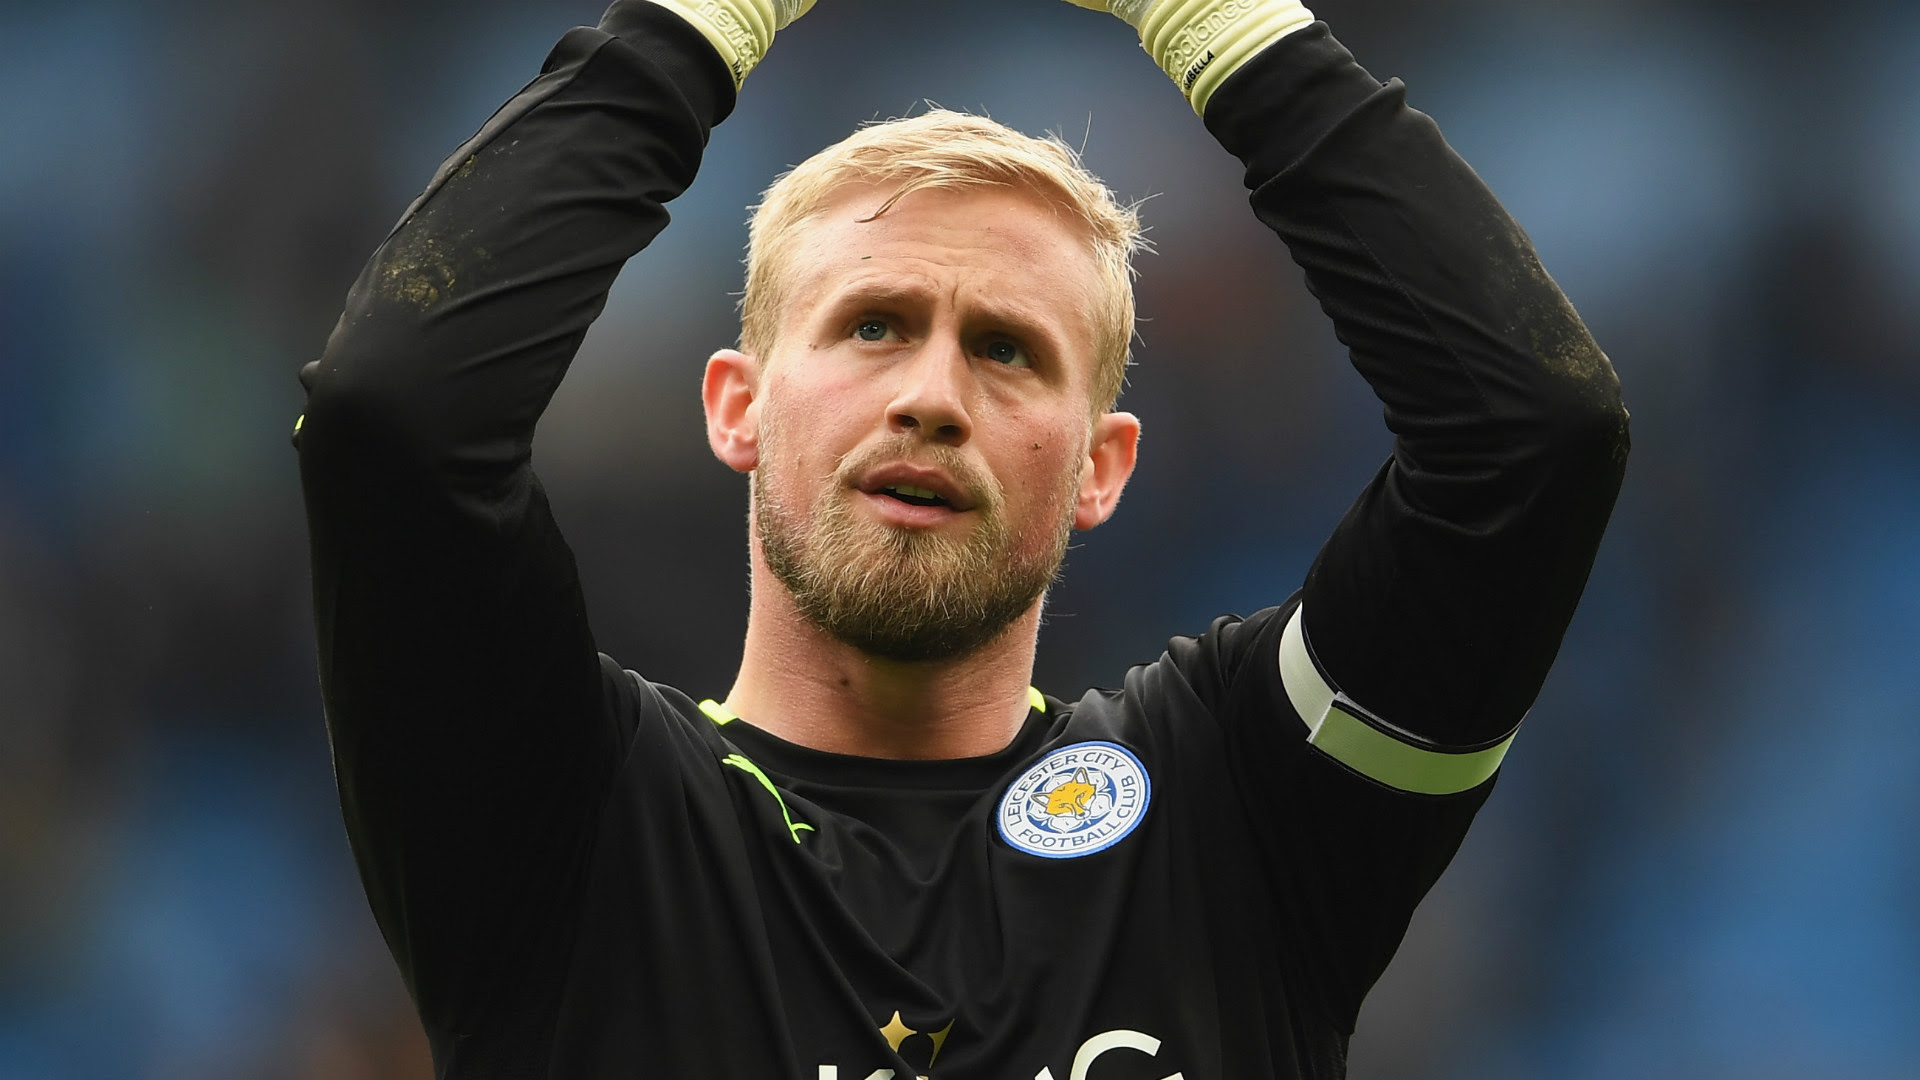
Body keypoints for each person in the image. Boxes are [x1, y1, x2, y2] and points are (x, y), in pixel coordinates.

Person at [293, 0, 1628, 1074]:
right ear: (738, 406)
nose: (931, 396)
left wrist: (1219, 23)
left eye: (1007, 350)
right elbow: (393, 416)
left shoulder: (1240, 819)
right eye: (872, 325)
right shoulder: (561, 827)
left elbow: (1531, 438)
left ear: (1101, 466)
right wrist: (698, 24)